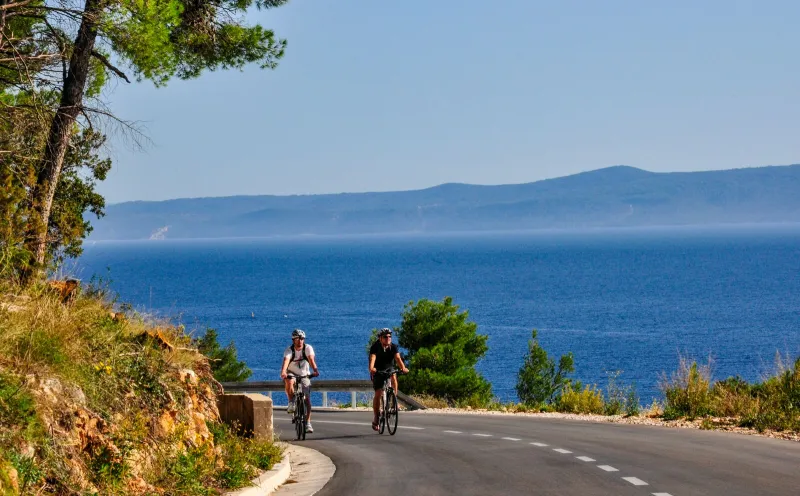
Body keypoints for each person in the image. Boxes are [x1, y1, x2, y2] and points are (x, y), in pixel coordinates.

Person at [280, 329, 320, 433]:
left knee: (307, 399)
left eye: (302, 339)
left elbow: (311, 360)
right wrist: (283, 372)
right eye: (298, 339)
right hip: (292, 373)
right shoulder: (289, 350)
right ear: (293, 340)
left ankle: (308, 423)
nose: (300, 341)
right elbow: (286, 362)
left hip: (304, 374)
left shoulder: (308, 348)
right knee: (289, 381)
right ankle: (291, 401)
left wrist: (315, 370)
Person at [368, 327, 408, 431]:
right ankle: (376, 417)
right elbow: (373, 358)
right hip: (378, 370)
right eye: (385, 337)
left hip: (389, 367)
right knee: (378, 393)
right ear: (380, 338)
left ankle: (394, 399)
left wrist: (403, 368)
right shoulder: (375, 347)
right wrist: (372, 368)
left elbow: (398, 358)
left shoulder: (393, 347)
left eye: (390, 336)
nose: (388, 338)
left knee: (394, 376)